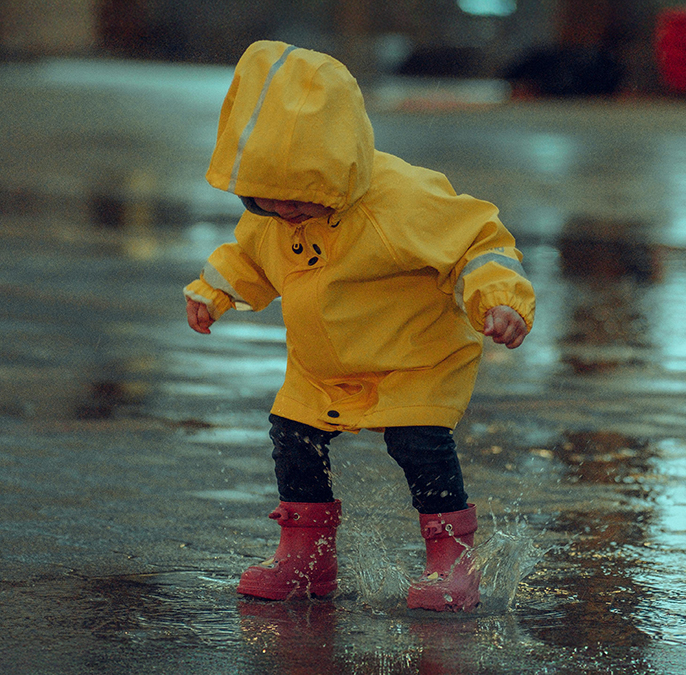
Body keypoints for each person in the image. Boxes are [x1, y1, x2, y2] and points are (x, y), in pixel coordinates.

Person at [184, 40, 535, 612]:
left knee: (420, 447)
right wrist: (215, 290)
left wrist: (500, 299)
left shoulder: (401, 200)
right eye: (266, 204)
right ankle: (306, 559)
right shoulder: (274, 215)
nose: (284, 215)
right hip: (320, 369)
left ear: (331, 171)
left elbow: (479, 240)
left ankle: (452, 563)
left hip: (410, 362)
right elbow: (248, 254)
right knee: (293, 439)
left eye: (298, 203)